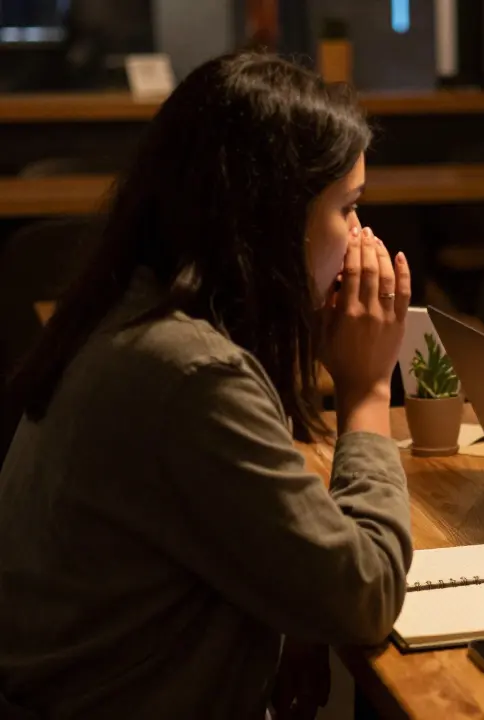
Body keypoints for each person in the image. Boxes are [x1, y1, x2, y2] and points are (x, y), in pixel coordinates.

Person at [0, 52, 413, 718]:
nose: (361, 238)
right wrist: (367, 392)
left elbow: (230, 540)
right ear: (273, 215)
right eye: (347, 208)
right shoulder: (187, 374)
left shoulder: (130, 311)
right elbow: (364, 595)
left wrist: (285, 620)